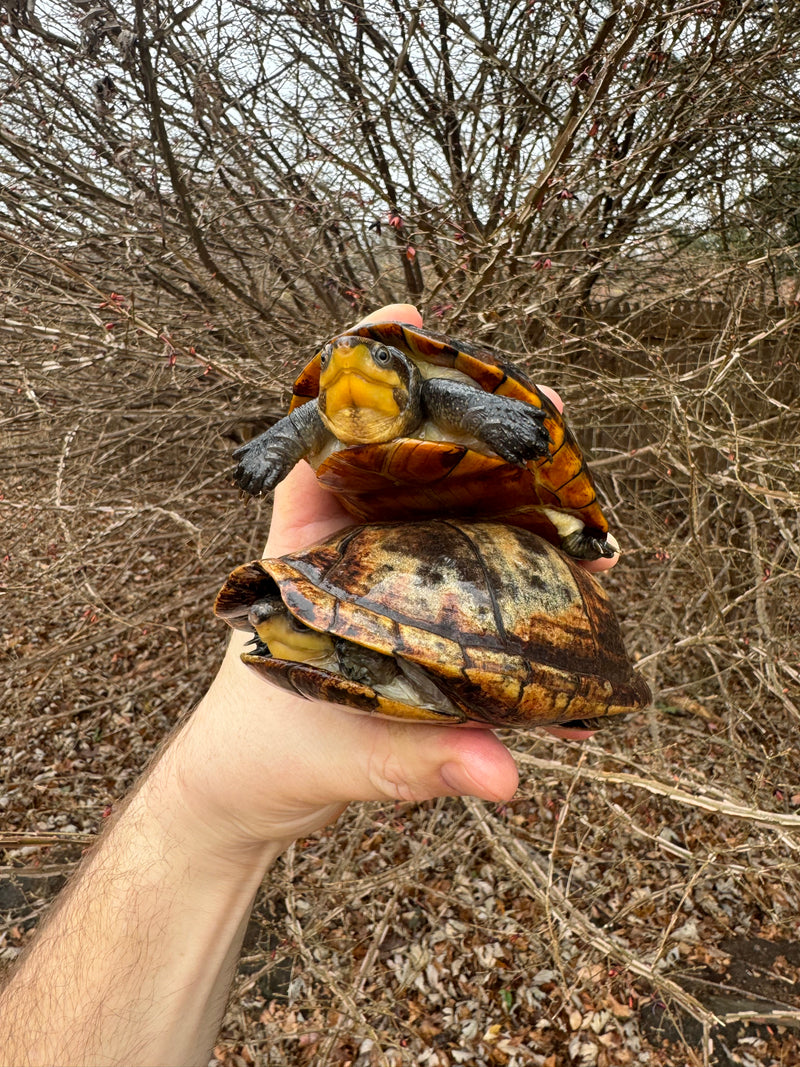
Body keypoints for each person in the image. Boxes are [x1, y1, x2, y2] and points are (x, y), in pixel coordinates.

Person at [0, 305, 616, 1067]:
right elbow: (300, 430)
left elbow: (485, 413)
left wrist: (503, 425)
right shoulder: (325, 419)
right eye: (336, 375)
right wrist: (204, 813)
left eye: (381, 367)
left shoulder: (442, 396)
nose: (354, 375)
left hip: (491, 511)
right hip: (391, 541)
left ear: (404, 379)